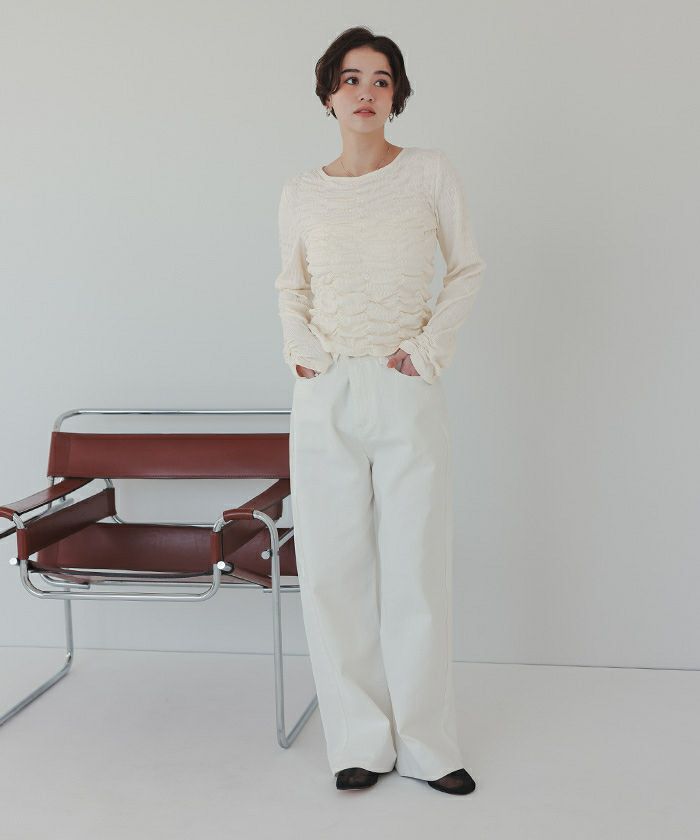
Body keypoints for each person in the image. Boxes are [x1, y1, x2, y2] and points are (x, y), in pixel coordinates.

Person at [274, 26, 486, 795]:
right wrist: (302, 351)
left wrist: (426, 352)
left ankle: (429, 745)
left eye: (382, 80)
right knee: (333, 570)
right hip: (325, 389)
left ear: (396, 97)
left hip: (404, 386)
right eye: (351, 79)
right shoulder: (301, 192)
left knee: (416, 567)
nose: (366, 92)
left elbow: (467, 268)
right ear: (328, 94)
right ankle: (360, 741)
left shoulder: (429, 172)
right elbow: (290, 285)